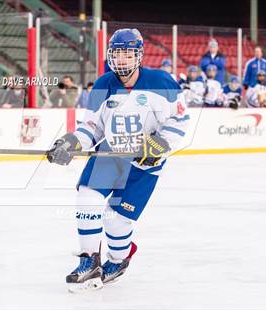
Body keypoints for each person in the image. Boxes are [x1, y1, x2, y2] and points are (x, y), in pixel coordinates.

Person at [47, 28, 189, 292]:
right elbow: (92, 127)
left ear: (139, 55)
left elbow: (179, 120)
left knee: (116, 221)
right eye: (117, 54)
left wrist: (159, 144)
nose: (121, 60)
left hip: (145, 162)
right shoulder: (103, 84)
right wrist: (71, 142)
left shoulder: (162, 81)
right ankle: (89, 259)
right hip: (111, 155)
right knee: (87, 197)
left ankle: (119, 259)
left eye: (127, 54)